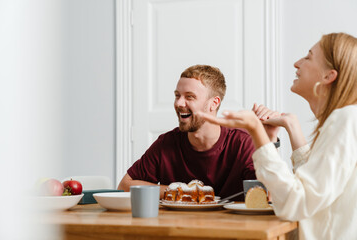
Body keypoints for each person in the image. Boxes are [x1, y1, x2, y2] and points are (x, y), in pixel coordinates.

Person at [198, 32, 357, 239]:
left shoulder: (345, 120)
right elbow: (315, 188)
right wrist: (290, 126)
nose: (296, 63)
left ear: (328, 76)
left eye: (308, 57)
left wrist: (256, 132)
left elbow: (296, 203)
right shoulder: (346, 119)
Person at [117, 64, 279, 200]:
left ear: (213, 103)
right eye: (177, 95)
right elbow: (125, 186)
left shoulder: (243, 142)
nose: (179, 103)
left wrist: (269, 139)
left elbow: (271, 194)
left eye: (190, 97)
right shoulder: (167, 143)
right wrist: (181, 191)